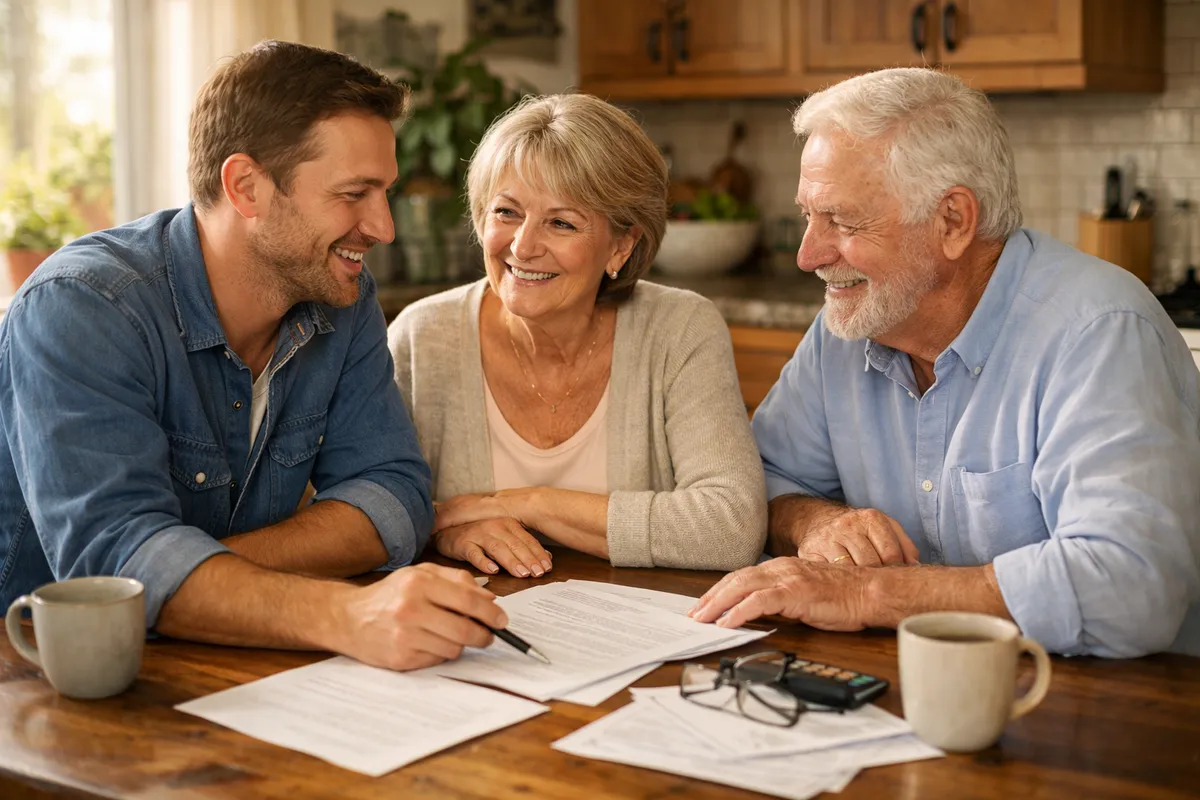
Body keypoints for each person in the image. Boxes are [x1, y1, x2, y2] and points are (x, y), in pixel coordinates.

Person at [0, 41, 507, 671]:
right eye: (354, 194)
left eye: (385, 193)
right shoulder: (83, 306)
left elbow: (392, 496)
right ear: (246, 186)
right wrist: (344, 614)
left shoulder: (341, 296)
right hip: (43, 686)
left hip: (225, 668)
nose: (383, 227)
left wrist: (203, 574)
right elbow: (119, 565)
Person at [689, 67, 1200, 658]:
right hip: (909, 682)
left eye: (844, 221)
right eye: (808, 215)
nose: (809, 255)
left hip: (1112, 703)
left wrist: (867, 593)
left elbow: (1130, 587)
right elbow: (761, 482)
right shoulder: (852, 324)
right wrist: (816, 523)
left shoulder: (1100, 332)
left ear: (953, 220)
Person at [387, 93, 767, 578]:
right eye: (506, 212)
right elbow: (374, 508)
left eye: (561, 222)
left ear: (621, 245)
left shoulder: (680, 329)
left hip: (647, 629)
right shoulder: (422, 337)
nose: (523, 246)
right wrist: (443, 529)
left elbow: (730, 527)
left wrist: (528, 505)